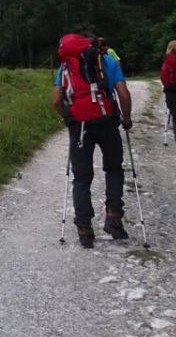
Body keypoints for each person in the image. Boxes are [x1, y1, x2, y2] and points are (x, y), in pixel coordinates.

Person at [52, 33, 133, 247]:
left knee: (81, 176)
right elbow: (124, 95)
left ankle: (84, 228)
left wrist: (69, 119)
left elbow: (57, 100)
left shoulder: (65, 66)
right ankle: (114, 217)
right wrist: (126, 120)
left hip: (79, 126)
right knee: (114, 168)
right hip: (106, 121)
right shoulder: (106, 60)